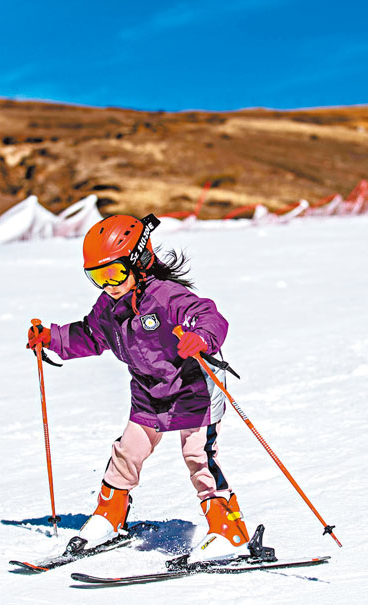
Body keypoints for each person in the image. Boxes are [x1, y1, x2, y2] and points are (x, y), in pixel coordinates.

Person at [26, 213, 250, 563]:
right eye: (97, 277)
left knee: (198, 457)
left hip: (193, 387)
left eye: (115, 272)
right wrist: (52, 338)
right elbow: (88, 334)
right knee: (127, 451)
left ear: (139, 262)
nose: (108, 285)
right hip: (148, 391)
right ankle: (109, 517)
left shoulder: (165, 296)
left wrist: (200, 337)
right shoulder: (109, 306)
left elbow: (207, 315)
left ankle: (228, 532)